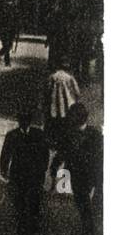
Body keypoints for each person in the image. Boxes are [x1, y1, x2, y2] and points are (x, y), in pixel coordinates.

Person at [0, 105, 50, 235]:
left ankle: (34, 232)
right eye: (22, 120)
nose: (24, 123)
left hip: (34, 175)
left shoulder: (38, 134)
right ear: (19, 121)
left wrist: (43, 170)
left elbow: (45, 154)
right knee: (19, 204)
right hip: (18, 175)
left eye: (26, 120)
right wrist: (4, 170)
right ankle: (21, 232)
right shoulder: (12, 135)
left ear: (29, 121)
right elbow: (5, 154)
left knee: (34, 204)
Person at [65, 103, 101, 235]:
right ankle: (88, 229)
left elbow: (99, 156)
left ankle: (90, 232)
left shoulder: (95, 134)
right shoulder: (70, 133)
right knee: (81, 202)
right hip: (76, 174)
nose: (70, 119)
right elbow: (64, 151)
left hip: (90, 174)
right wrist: (55, 167)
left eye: (73, 116)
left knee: (89, 203)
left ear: (80, 118)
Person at [45, 61, 81, 189]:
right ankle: (64, 184)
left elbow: (47, 92)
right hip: (68, 109)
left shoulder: (53, 77)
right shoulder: (70, 78)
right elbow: (77, 92)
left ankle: (55, 142)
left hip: (55, 108)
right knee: (65, 130)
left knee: (55, 127)